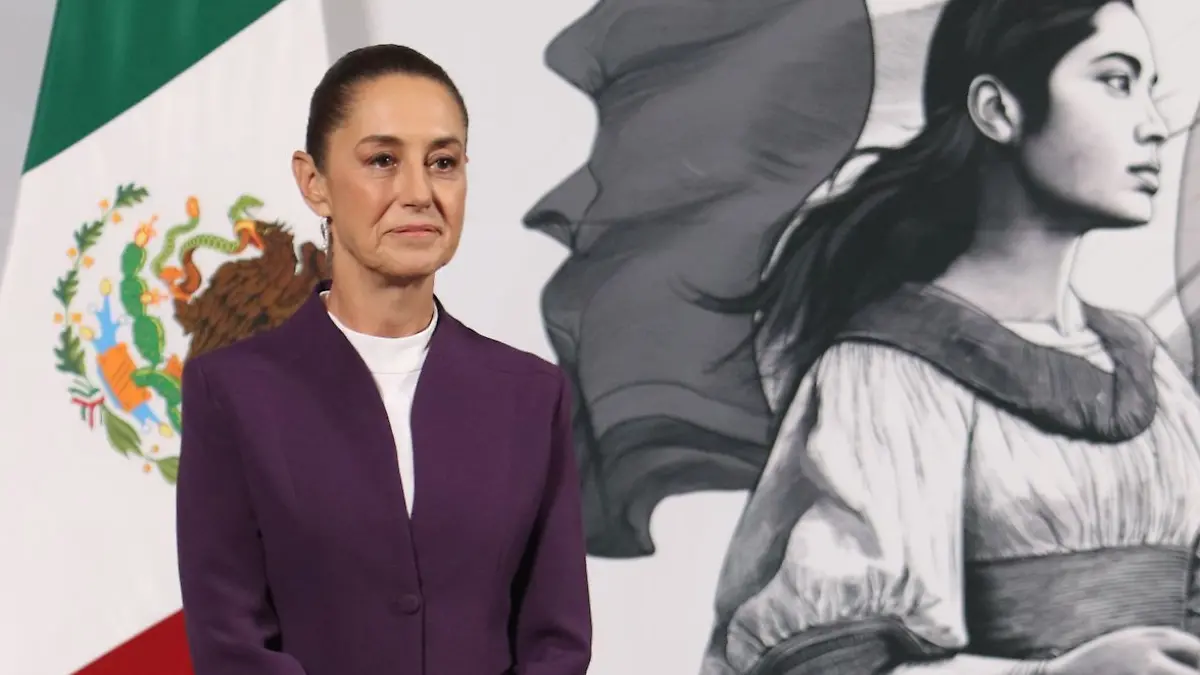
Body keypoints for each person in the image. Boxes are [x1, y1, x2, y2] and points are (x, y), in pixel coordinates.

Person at [701, 1, 1200, 674]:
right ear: (997, 109)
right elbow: (824, 660)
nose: (1155, 125)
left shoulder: (1148, 366)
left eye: (1150, 88)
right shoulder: (891, 370)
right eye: (1116, 81)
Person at [175, 44, 592, 675]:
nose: (418, 192)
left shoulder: (532, 395)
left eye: (443, 162)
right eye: (382, 161)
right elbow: (230, 644)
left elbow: (556, 642)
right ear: (313, 182)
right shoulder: (232, 392)